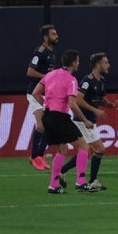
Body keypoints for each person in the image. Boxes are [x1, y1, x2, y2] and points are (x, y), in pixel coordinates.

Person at [57, 53, 118, 192]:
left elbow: (101, 100)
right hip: (82, 120)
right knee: (100, 149)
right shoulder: (87, 80)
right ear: (98, 64)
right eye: (106, 62)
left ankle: (62, 172)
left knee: (89, 152)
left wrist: (112, 105)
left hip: (90, 121)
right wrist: (95, 110)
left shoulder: (101, 81)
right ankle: (91, 182)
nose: (108, 65)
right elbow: (78, 99)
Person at [33, 49, 93, 193]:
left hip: (47, 116)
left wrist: (47, 103)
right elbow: (72, 104)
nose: (78, 63)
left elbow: (35, 93)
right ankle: (81, 182)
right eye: (77, 61)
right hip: (60, 117)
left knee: (62, 149)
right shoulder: (71, 79)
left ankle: (53, 185)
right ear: (73, 63)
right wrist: (85, 120)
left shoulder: (50, 74)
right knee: (84, 146)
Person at [24, 24, 59, 170]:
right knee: (41, 125)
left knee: (47, 125)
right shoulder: (40, 52)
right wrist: (47, 77)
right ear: (46, 37)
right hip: (34, 93)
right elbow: (30, 72)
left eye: (56, 34)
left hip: (46, 94)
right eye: (53, 34)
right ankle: (34, 157)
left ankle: (39, 155)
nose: (56, 36)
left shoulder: (52, 52)